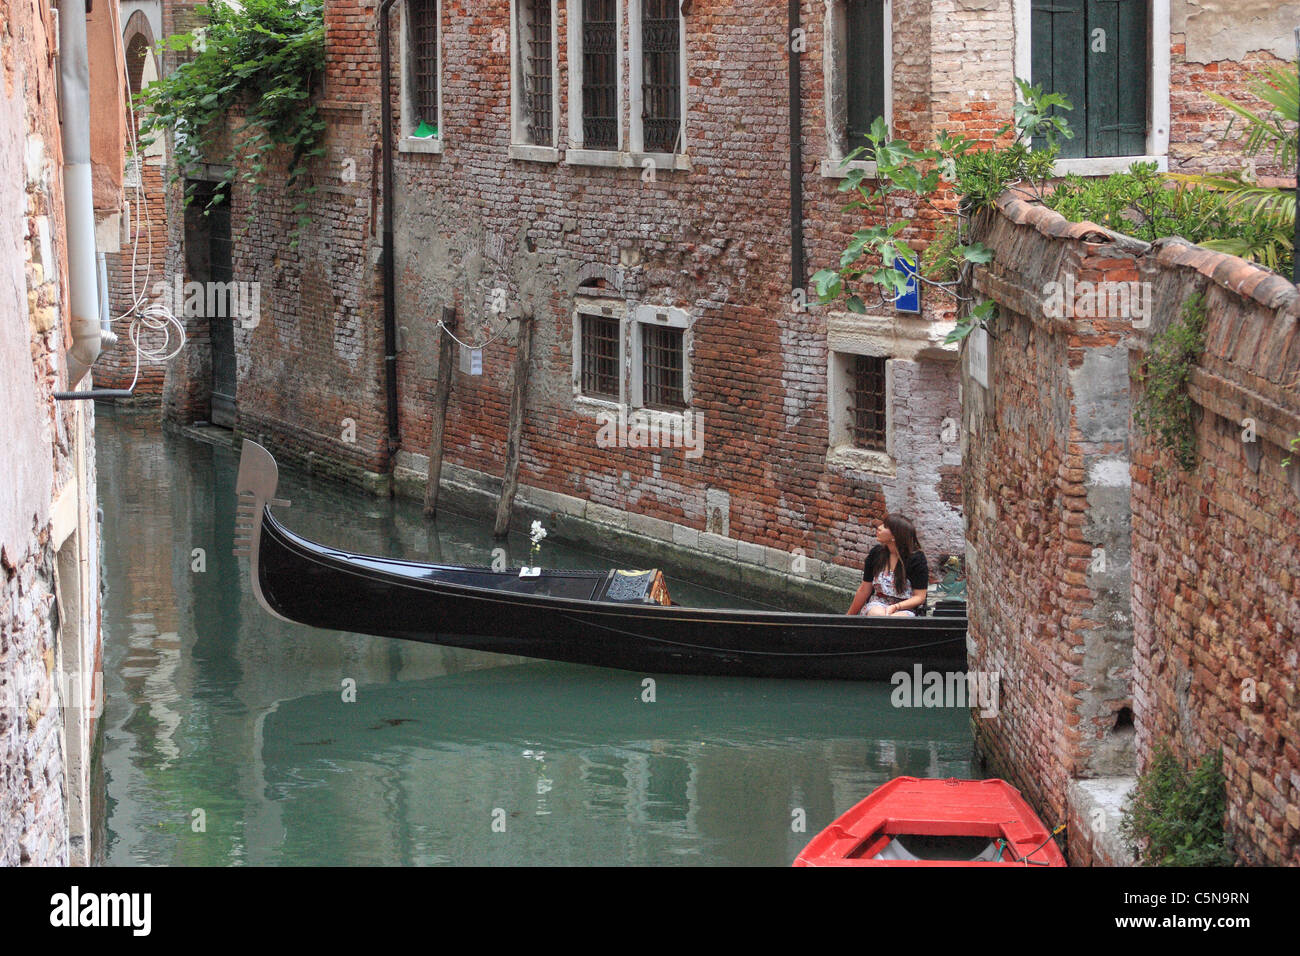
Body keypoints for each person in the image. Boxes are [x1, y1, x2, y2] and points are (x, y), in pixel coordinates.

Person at [846, 514, 930, 617]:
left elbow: (920, 597)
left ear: (895, 536)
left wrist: (896, 607)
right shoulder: (876, 554)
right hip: (878, 604)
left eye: (885, 527)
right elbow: (864, 589)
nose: (879, 528)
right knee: (878, 615)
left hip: (905, 608)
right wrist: (848, 617)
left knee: (895, 619)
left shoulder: (916, 559)